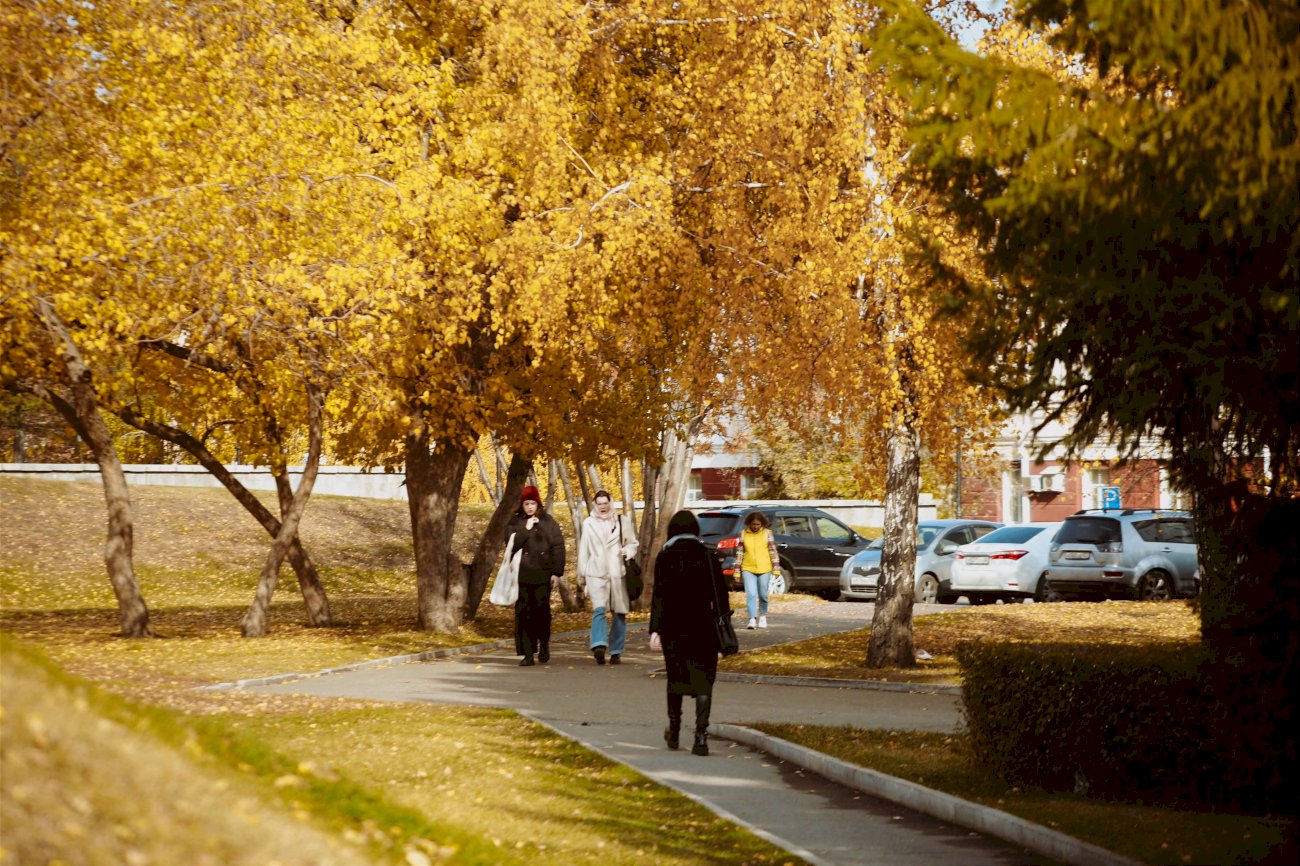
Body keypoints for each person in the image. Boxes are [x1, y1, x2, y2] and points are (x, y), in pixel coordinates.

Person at [648, 509, 730, 756]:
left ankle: (674, 730)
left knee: (675, 678)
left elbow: (658, 596)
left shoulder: (665, 557)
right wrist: (723, 623)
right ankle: (701, 736)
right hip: (703, 626)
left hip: (673, 628)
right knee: (704, 680)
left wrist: (655, 630)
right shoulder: (708, 556)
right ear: (696, 530)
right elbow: (721, 595)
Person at [504, 485, 565, 666]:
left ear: (538, 504)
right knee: (523, 614)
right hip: (522, 574)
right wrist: (526, 529)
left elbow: (558, 547)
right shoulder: (515, 522)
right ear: (522, 505)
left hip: (543, 574)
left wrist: (556, 572)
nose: (530, 507)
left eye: (533, 503)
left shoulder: (548, 522)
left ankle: (544, 644)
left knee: (542, 613)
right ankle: (527, 653)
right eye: (526, 503)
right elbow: (510, 544)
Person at [577, 490, 639, 665]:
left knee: (619, 613)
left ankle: (616, 651)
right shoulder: (588, 523)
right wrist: (581, 574)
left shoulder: (622, 521)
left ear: (610, 503)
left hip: (617, 571)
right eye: (599, 503)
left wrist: (627, 551)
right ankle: (598, 646)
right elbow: (584, 549)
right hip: (596, 572)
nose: (603, 506)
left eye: (606, 503)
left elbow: (633, 543)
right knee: (598, 610)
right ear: (595, 505)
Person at [736, 510, 780, 629]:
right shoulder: (743, 534)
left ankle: (763, 615)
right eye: (753, 524)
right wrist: (737, 570)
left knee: (763, 594)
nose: (755, 526)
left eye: (758, 524)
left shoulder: (767, 533)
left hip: (764, 568)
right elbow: (740, 552)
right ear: (749, 523)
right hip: (748, 568)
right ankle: (751, 619)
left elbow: (773, 551)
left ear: (762, 524)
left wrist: (776, 568)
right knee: (751, 594)